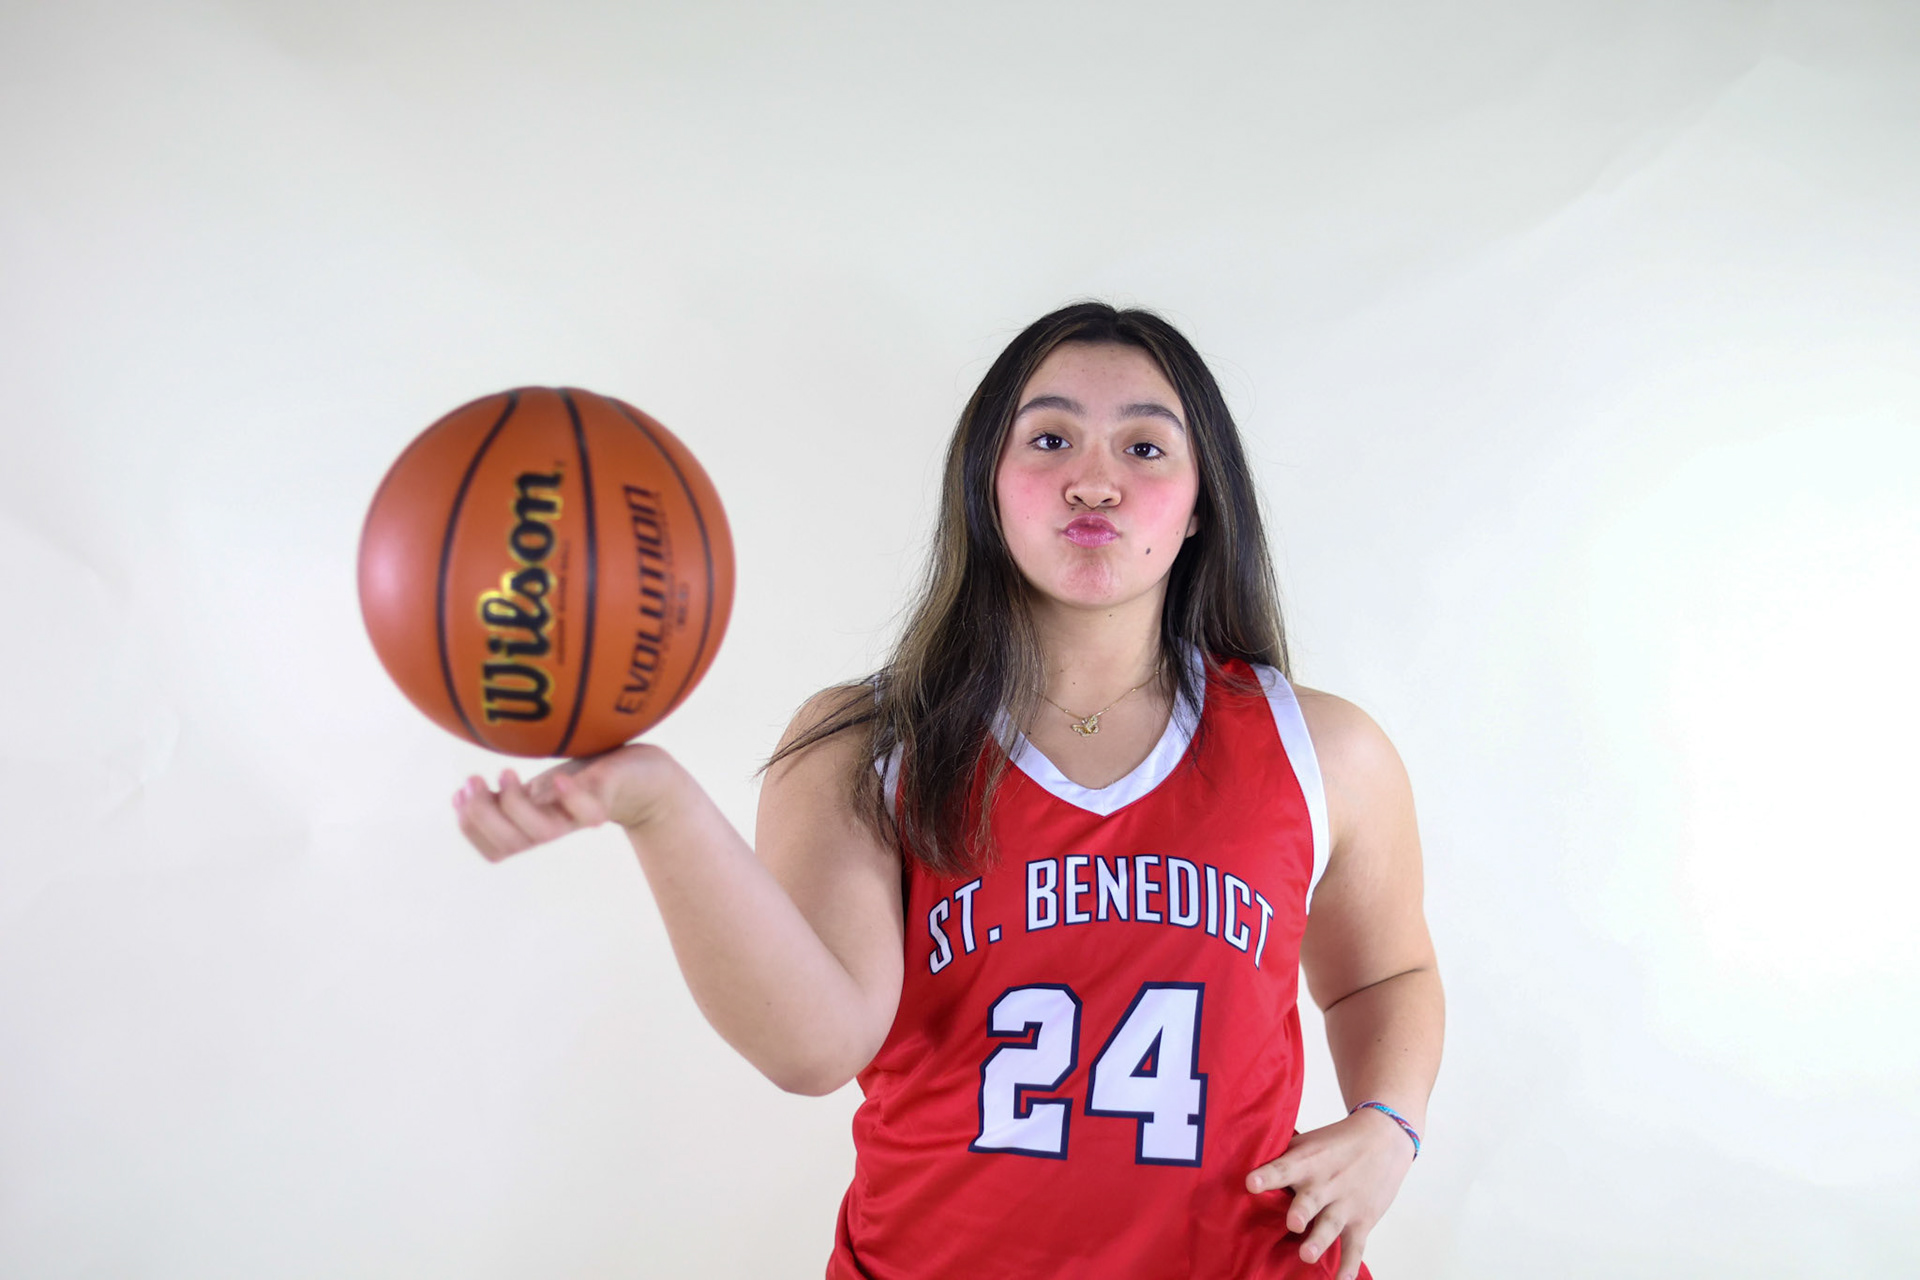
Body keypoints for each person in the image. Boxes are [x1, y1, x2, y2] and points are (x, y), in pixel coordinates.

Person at [453, 302, 1443, 1279]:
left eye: (1146, 449)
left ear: (1199, 507)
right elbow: (815, 1045)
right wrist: (659, 806)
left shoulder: (1320, 746)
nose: (1093, 480)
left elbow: (1385, 974)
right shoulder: (867, 743)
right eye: (1050, 438)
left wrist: (1389, 1123)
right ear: (987, 484)